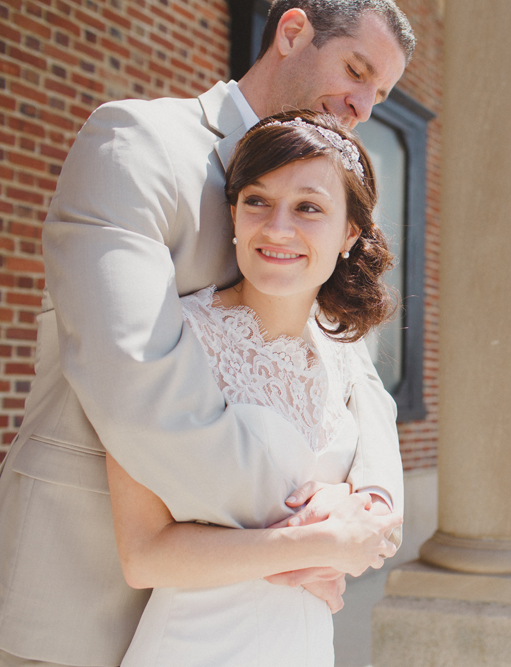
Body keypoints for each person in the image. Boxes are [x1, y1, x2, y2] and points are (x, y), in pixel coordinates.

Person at [0, 2, 415, 666]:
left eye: (383, 94)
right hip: (89, 586)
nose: (364, 105)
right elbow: (134, 382)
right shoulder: (137, 142)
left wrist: (369, 505)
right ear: (291, 33)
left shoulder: (330, 190)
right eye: (357, 70)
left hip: (269, 616)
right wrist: (315, 532)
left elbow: (361, 383)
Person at [112, 110, 399, 666]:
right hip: (196, 646)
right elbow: (143, 554)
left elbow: (370, 496)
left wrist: (348, 510)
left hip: (304, 643)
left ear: (349, 234)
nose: (277, 228)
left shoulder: (343, 353)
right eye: (257, 201)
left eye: (309, 208)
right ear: (235, 215)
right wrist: (317, 544)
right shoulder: (174, 341)